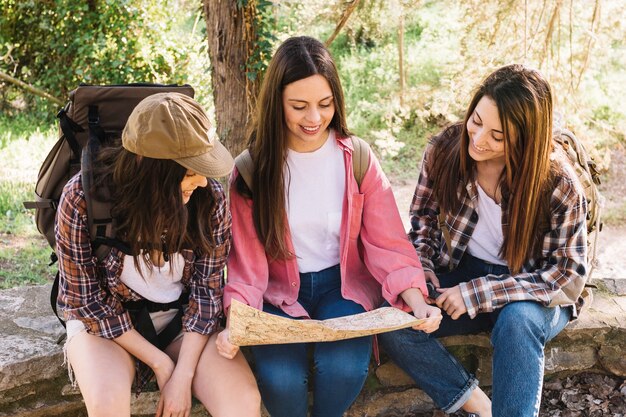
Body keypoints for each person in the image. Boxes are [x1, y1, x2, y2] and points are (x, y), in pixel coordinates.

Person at [214, 36, 442, 417]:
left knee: (343, 368)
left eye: (325, 104)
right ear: (277, 104)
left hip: (343, 287)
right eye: (299, 106)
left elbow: (387, 241)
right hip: (276, 297)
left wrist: (417, 301)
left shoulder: (357, 158)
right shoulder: (252, 170)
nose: (314, 118)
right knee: (281, 380)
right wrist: (236, 323)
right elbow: (246, 266)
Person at [379, 64, 588, 417]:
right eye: (476, 121)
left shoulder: (559, 183)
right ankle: (481, 407)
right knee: (392, 319)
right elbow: (423, 226)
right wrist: (422, 272)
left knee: (517, 322)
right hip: (463, 274)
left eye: (498, 136)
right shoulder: (444, 151)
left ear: (525, 138)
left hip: (532, 294)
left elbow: (565, 279)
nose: (478, 140)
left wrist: (478, 293)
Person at [55, 93, 261, 417]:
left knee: (243, 404)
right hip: (108, 328)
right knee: (107, 407)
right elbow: (87, 303)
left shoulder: (210, 201)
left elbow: (207, 294)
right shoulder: (82, 198)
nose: (203, 181)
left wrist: (184, 374)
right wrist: (161, 363)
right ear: (150, 167)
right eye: (192, 169)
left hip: (183, 322)